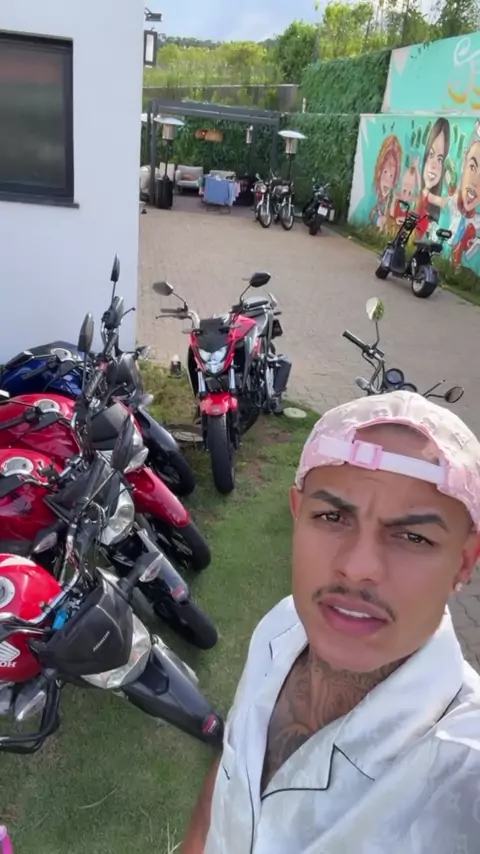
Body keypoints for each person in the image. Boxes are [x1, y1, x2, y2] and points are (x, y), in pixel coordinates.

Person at [181, 390, 480, 854]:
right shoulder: (282, 628)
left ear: (464, 562)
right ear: (297, 515)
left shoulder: (464, 768)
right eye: (332, 516)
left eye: (413, 537)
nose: (358, 567)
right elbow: (227, 781)